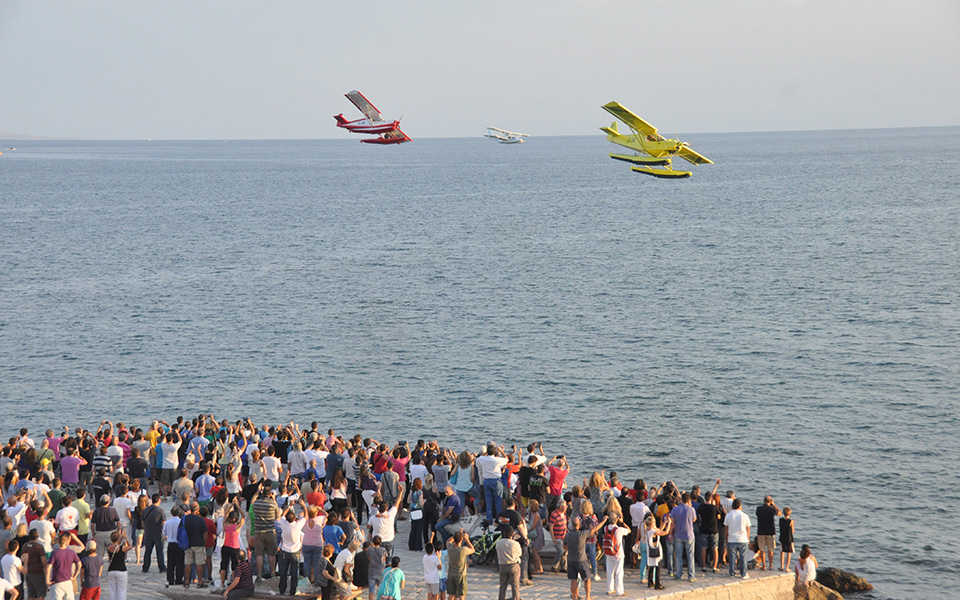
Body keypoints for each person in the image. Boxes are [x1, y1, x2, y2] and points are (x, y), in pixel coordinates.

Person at [277, 498, 306, 596]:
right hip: (295, 552)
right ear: (294, 519)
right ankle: (292, 590)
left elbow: (282, 515)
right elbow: (305, 516)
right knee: (294, 573)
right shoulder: (298, 525)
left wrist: (289, 505)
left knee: (283, 573)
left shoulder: (284, 524)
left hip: (284, 551)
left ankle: (282, 589)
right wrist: (304, 506)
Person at [250, 487, 280, 581]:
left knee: (259, 554)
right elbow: (277, 515)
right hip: (270, 531)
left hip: (258, 532)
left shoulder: (257, 503)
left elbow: (252, 505)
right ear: (270, 494)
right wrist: (274, 499)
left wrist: (257, 492)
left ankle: (259, 575)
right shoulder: (273, 504)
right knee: (271, 554)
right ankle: (272, 573)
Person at [368, 486, 404, 560]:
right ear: (386, 508)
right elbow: (397, 503)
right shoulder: (390, 515)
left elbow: (368, 526)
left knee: (377, 559)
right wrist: (401, 492)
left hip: (377, 540)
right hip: (388, 539)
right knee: (388, 559)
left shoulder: (374, 517)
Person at [475, 445, 509, 522]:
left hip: (486, 481)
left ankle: (489, 518)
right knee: (498, 501)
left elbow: (477, 460)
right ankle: (498, 519)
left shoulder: (482, 459)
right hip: (496, 480)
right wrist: (501, 451)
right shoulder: (497, 460)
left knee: (488, 501)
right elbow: (507, 459)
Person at [670, 492, 698, 582]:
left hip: (678, 534)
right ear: (689, 500)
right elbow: (694, 519)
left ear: (681, 500)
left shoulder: (675, 509)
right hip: (689, 534)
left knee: (678, 556)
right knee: (690, 556)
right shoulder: (691, 509)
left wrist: (671, 533)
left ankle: (678, 574)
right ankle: (691, 576)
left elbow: (672, 523)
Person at [46, 533, 81, 600]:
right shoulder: (72, 552)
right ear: (67, 541)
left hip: (57, 580)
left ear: (58, 541)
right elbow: (79, 564)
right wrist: (75, 576)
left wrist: (47, 580)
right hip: (68, 580)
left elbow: (48, 568)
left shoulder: (55, 552)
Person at [602, 514, 630, 596]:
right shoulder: (619, 529)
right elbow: (629, 530)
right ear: (617, 519)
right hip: (618, 552)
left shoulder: (605, 528)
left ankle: (609, 589)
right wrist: (622, 522)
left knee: (610, 571)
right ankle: (619, 590)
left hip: (608, 552)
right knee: (619, 572)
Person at [182, 501, 208, 588]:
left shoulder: (185, 519)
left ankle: (186, 581)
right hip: (198, 543)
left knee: (188, 563)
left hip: (188, 544)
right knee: (199, 563)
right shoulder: (200, 520)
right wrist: (204, 542)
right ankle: (200, 582)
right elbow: (205, 533)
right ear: (198, 510)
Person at [723, 498, 751, 579]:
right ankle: (744, 573)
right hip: (742, 538)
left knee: (732, 557)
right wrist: (748, 538)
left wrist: (726, 537)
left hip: (732, 538)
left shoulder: (728, 515)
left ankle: (732, 572)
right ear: (740, 506)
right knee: (743, 557)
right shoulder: (745, 516)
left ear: (732, 506)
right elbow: (748, 529)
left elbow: (726, 528)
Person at [219, 506, 245, 590]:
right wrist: (238, 506)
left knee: (223, 565)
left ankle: (222, 583)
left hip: (225, 547)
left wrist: (230, 507)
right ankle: (234, 584)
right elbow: (244, 516)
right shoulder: (236, 527)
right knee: (234, 567)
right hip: (234, 548)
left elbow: (225, 514)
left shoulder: (225, 525)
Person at [140, 494, 166, 574]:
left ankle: (145, 567)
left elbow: (143, 522)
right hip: (158, 534)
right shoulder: (161, 511)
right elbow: (163, 523)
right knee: (160, 551)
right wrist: (164, 533)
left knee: (148, 551)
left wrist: (145, 529)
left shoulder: (146, 510)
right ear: (159, 500)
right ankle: (161, 567)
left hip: (148, 533)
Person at [696, 491, 721, 574]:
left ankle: (703, 566)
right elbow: (719, 517)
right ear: (711, 499)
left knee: (704, 547)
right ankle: (714, 566)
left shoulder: (701, 507)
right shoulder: (714, 508)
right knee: (715, 548)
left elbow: (699, 516)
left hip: (704, 529)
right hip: (713, 529)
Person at [643, 514, 669, 591]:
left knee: (651, 567)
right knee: (658, 567)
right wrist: (669, 524)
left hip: (650, 551)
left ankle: (650, 582)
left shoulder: (648, 530)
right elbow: (665, 532)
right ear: (651, 523)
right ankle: (658, 584)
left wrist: (664, 523)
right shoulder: (653, 531)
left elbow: (659, 529)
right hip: (656, 551)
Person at [445, 530, 474, 600]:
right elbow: (473, 549)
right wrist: (467, 539)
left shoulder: (450, 548)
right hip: (461, 575)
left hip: (451, 574)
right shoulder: (463, 550)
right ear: (461, 540)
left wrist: (457, 534)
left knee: (451, 595)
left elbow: (448, 541)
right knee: (462, 595)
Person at [495, 525, 521, 600]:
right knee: (515, 586)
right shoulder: (515, 543)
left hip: (502, 565)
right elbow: (519, 553)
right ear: (512, 534)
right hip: (513, 565)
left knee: (503, 586)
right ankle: (515, 598)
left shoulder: (498, 542)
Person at [755, 496, 781, 571]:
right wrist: (774, 505)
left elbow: (757, 514)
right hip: (770, 531)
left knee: (762, 550)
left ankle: (764, 565)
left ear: (763, 501)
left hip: (761, 531)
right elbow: (779, 513)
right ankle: (770, 565)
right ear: (770, 501)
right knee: (770, 549)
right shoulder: (772, 509)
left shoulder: (759, 508)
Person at [105, 529, 132, 600]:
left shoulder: (108, 547)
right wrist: (125, 538)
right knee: (122, 590)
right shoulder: (122, 548)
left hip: (111, 570)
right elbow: (130, 546)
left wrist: (120, 538)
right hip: (121, 570)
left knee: (112, 590)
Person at [20, 530, 47, 600]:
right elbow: (43, 561)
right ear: (37, 536)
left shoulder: (24, 546)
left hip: (29, 572)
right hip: (38, 572)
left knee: (30, 593)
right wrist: (46, 571)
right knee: (40, 593)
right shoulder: (39, 547)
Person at [163, 506, 185, 587]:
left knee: (170, 563)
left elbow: (164, 534)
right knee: (180, 562)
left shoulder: (167, 522)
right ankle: (179, 578)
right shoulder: (181, 522)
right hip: (179, 544)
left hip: (171, 543)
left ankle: (170, 579)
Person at [548, 499, 568, 573]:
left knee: (565, 552)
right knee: (560, 551)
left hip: (564, 535)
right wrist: (553, 538)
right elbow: (551, 527)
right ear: (561, 507)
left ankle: (563, 567)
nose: (567, 507)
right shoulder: (554, 514)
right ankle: (555, 565)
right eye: (565, 506)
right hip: (557, 536)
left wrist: (566, 530)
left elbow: (564, 524)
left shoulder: (564, 514)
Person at [779, 507, 795, 572]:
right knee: (789, 553)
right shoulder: (790, 521)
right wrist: (792, 524)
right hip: (789, 538)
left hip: (782, 537)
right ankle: (787, 567)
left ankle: (781, 566)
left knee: (782, 552)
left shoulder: (780, 520)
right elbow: (792, 531)